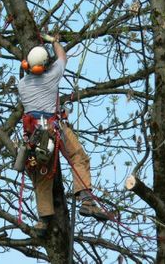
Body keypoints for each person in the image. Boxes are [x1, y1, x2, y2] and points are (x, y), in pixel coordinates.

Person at [17, 35, 109, 235]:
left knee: (41, 174)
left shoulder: (22, 85)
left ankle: (43, 221)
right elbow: (62, 57)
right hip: (53, 129)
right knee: (78, 157)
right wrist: (53, 40)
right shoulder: (52, 76)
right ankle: (86, 200)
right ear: (44, 66)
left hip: (34, 135)